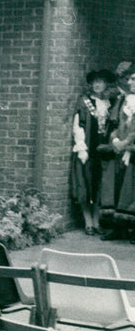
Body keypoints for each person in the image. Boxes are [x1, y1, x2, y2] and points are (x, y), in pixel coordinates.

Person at [69, 69, 117, 235]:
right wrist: (81, 146)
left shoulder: (110, 103)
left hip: (103, 151)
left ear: (105, 84)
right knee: (85, 185)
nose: (97, 84)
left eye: (101, 81)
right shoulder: (84, 101)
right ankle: (88, 222)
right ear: (91, 84)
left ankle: (97, 222)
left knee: (99, 187)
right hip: (88, 149)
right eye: (95, 81)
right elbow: (78, 125)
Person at [100, 66, 135, 242]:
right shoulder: (124, 100)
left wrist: (127, 144)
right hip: (120, 152)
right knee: (119, 189)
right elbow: (114, 124)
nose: (130, 82)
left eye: (134, 79)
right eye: (129, 79)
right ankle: (118, 228)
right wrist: (115, 140)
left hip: (132, 151)